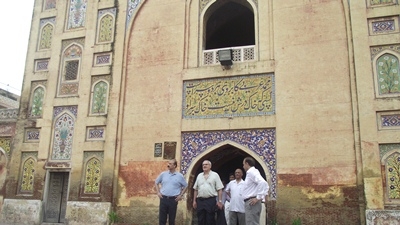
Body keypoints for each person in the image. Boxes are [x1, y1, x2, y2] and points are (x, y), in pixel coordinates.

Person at [155, 159, 188, 225]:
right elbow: (156, 182)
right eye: (168, 163)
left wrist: (180, 195)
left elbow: (186, 186)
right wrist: (158, 192)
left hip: (173, 200)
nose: (168, 165)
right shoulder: (163, 174)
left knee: (172, 219)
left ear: (174, 165)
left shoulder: (179, 176)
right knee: (162, 219)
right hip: (163, 198)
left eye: (170, 164)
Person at [193, 160, 224, 225]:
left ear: (210, 166)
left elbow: (220, 189)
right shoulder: (199, 175)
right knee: (200, 219)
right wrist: (194, 201)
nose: (204, 166)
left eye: (206, 164)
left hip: (210, 200)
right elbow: (196, 189)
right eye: (203, 165)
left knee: (210, 219)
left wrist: (220, 201)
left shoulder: (215, 175)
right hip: (200, 200)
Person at [242, 157, 269, 225]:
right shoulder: (251, 172)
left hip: (252, 203)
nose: (243, 166)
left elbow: (263, 183)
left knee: (252, 223)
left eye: (243, 164)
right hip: (250, 202)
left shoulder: (252, 172)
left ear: (247, 163)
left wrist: (258, 197)